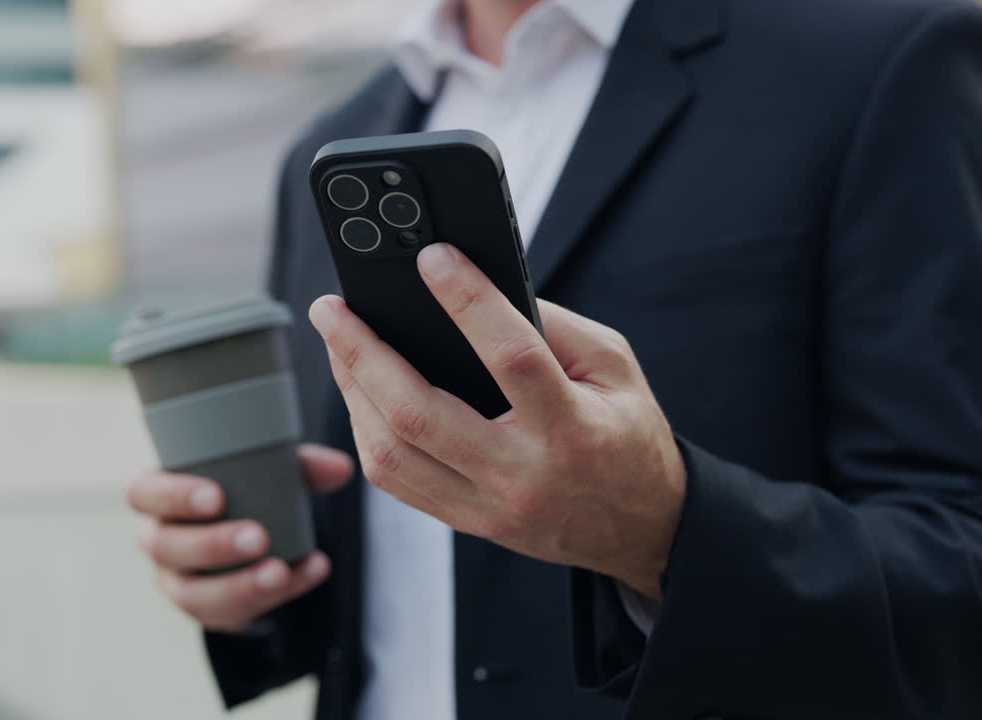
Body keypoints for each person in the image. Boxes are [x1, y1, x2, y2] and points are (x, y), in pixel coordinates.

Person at [128, 0, 982, 717]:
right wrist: (250, 580)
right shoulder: (336, 145)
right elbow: (391, 563)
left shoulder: (884, 59)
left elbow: (958, 553)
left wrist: (667, 531)